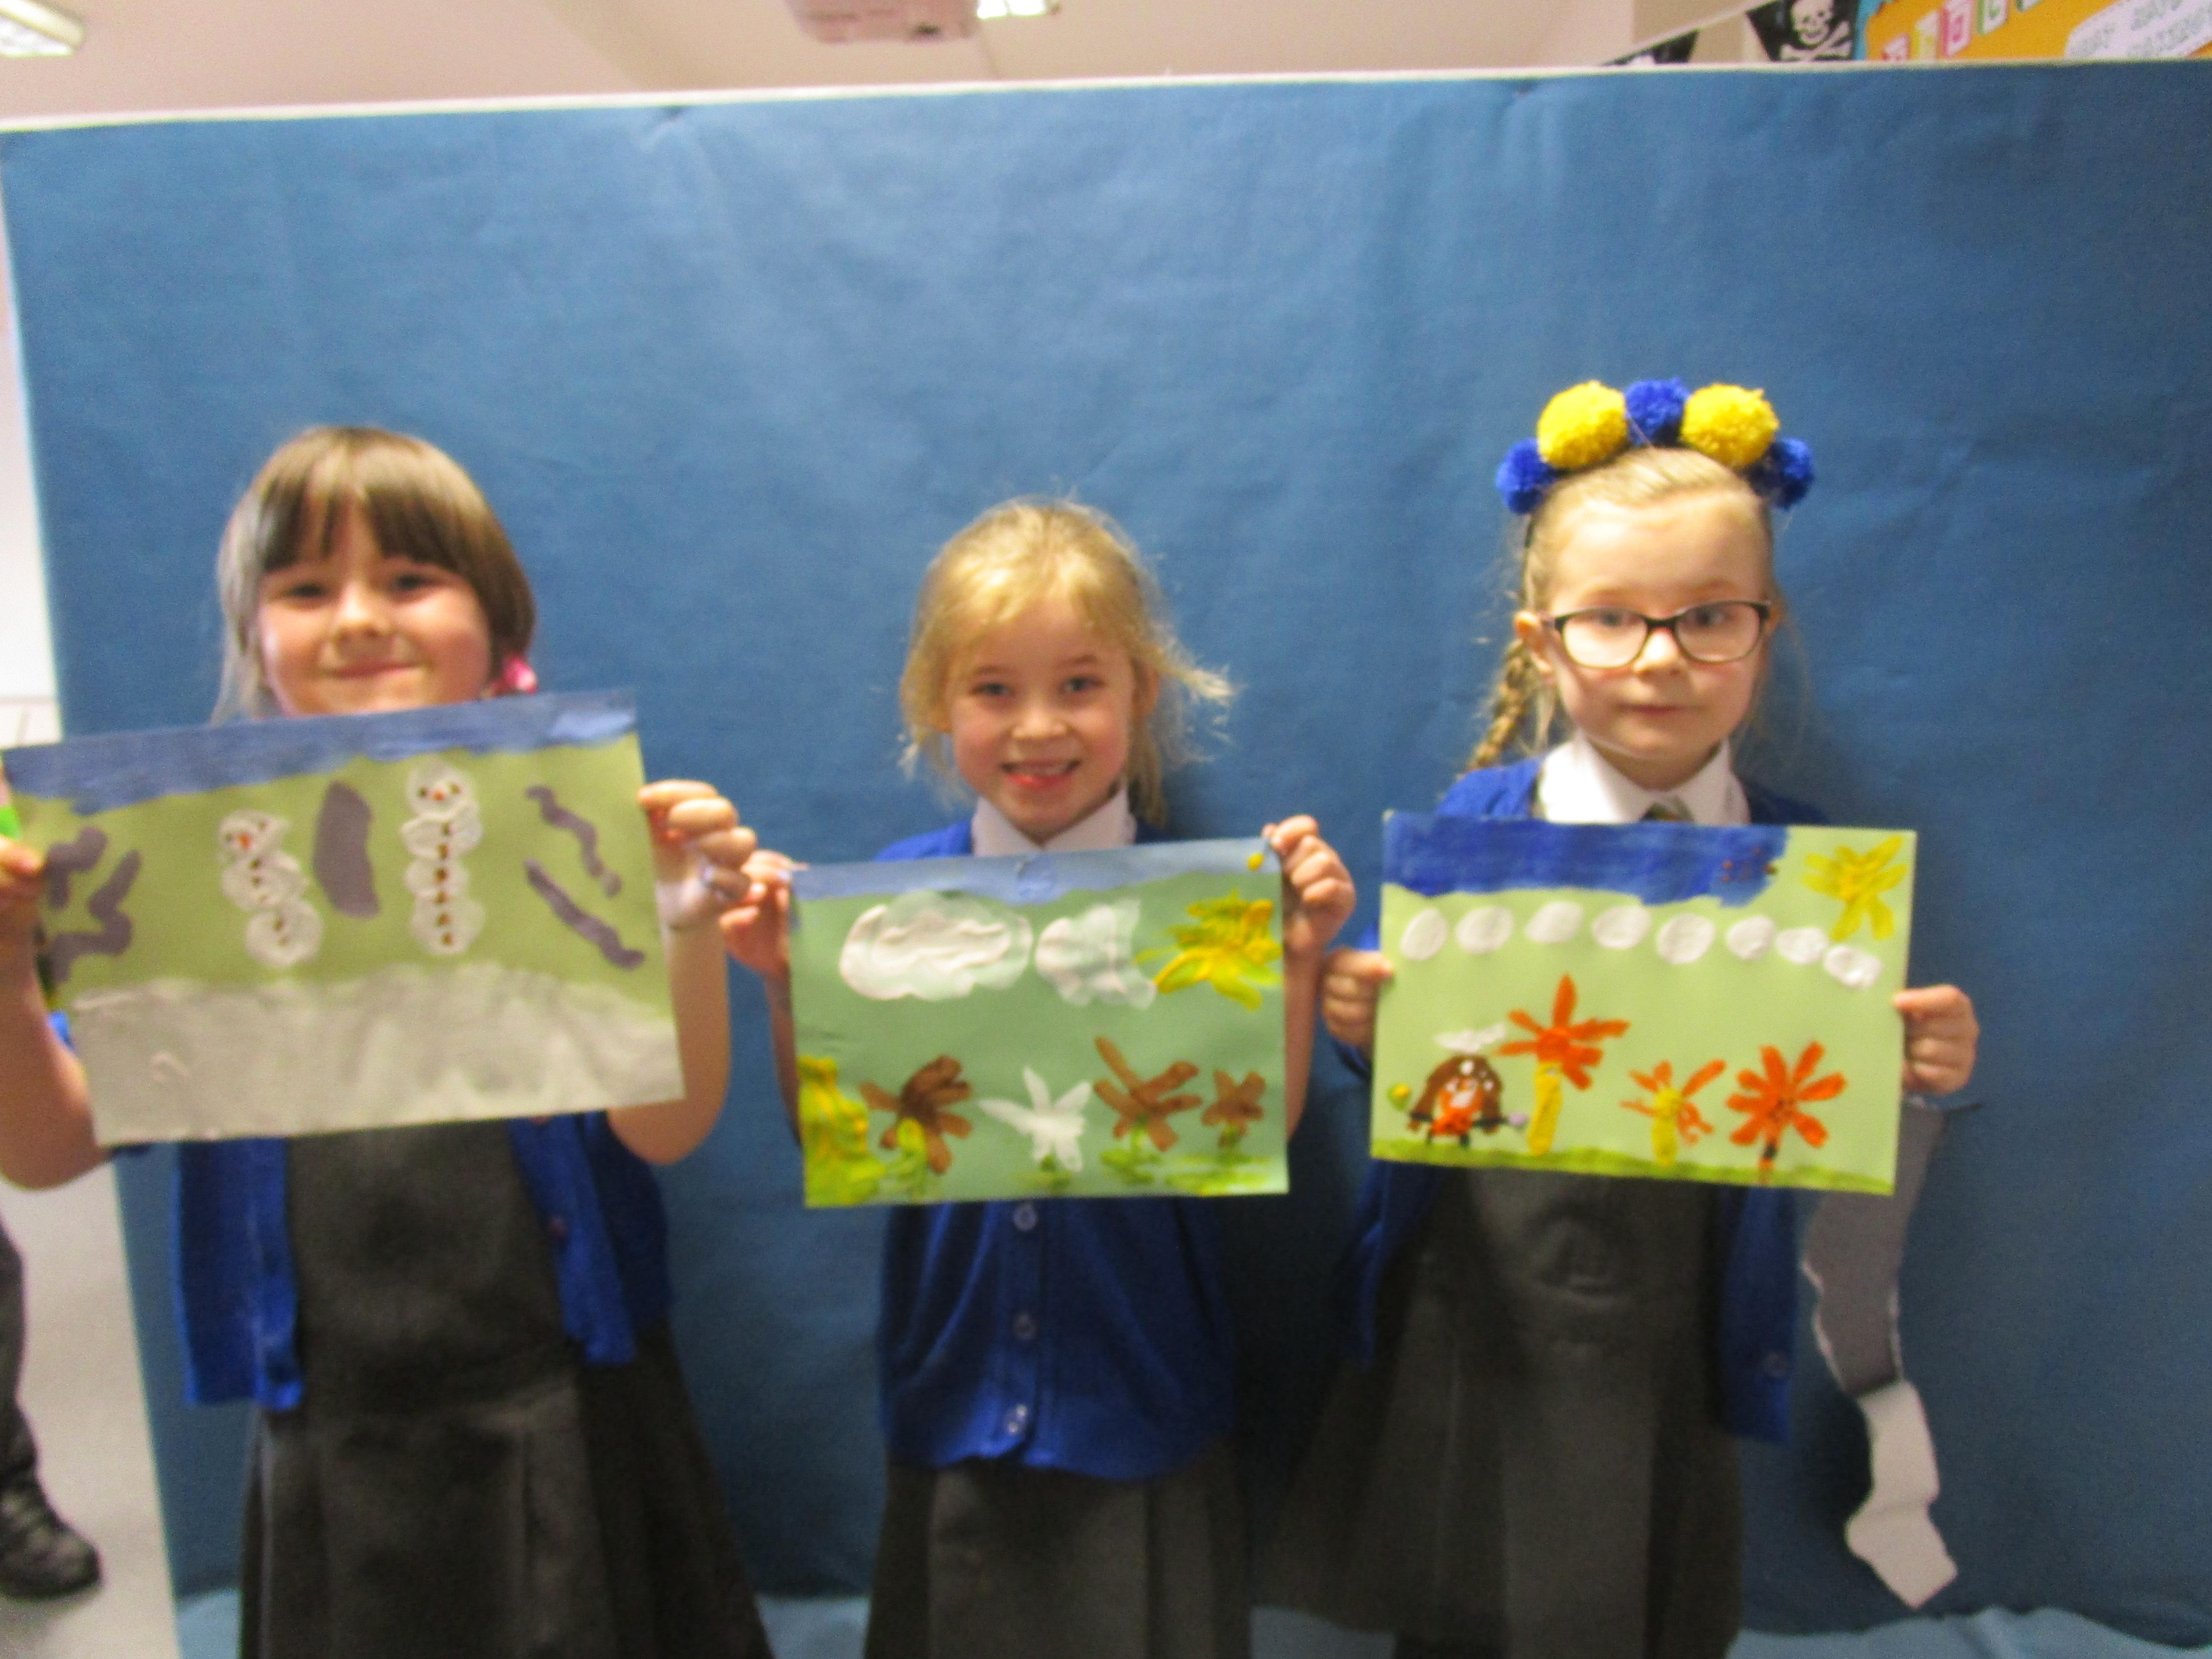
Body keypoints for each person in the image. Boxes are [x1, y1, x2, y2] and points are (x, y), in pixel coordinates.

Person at [0, 427, 774, 1659]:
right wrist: (6, 969)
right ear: (254, 637)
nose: (360, 619)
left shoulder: (574, 837)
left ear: (497, 623)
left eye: (410, 580)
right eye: (306, 589)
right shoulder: (184, 863)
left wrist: (680, 923)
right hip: (337, 1436)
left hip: (564, 1407)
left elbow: (665, 1128)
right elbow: (44, 1152)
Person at [1265, 380, 1981, 1659]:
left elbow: (1819, 1102)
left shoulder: (1812, 865)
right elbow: (1430, 1078)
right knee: (1468, 1590)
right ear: (1542, 643)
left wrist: (1912, 1064)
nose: (1660, 658)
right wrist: (1366, 1027)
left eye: (1708, 617)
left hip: (1677, 1311)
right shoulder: (1478, 828)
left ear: (1765, 632)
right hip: (1482, 1296)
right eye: (1610, 618)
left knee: (1648, 1586)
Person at [722, 498, 1354, 1659]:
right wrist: (781, 985)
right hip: (956, 1387)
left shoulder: (1203, 907)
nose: (1038, 727)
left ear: (1140, 692)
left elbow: (1254, 1128)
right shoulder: (889, 903)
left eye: (1078, 684)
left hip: (1146, 1388)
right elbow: (842, 1137)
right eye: (993, 690)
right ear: (937, 703)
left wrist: (1299, 963)